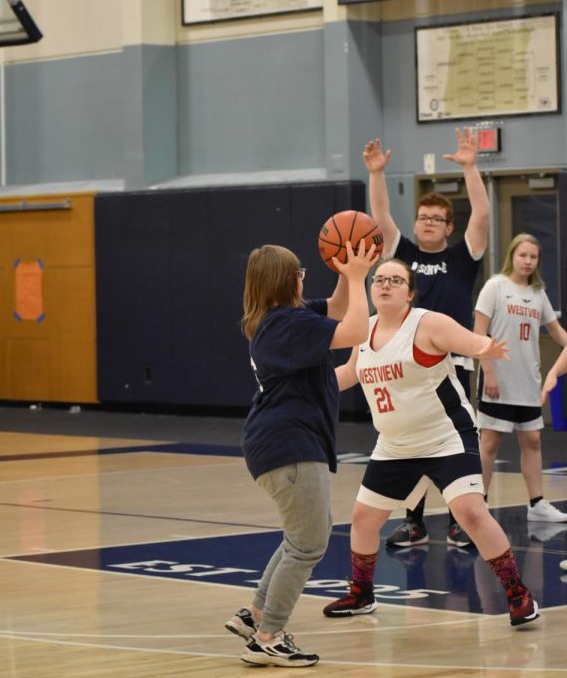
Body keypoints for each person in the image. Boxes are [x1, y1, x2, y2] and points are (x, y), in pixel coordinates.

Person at [322, 257, 540, 629]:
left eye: (395, 280)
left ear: (409, 293)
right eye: (379, 279)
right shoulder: (365, 329)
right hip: (394, 445)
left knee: (470, 512)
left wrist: (485, 347)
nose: (385, 284)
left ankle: (517, 592)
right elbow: (349, 372)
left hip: (445, 438)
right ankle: (362, 592)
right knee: (362, 518)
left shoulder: (427, 323)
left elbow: (471, 341)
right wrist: (309, 385)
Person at [225, 239, 379, 668]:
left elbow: (336, 305)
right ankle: (268, 637)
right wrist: (356, 275)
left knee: (301, 538)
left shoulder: (283, 319)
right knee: (310, 543)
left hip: (278, 440)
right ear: (287, 280)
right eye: (300, 272)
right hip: (288, 442)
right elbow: (354, 330)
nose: (303, 278)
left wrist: (344, 267)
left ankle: (255, 615)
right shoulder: (286, 326)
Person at [364, 127, 488, 548]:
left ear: (449, 227)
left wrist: (471, 167)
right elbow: (380, 219)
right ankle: (413, 521)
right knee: (409, 435)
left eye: (437, 219)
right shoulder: (406, 260)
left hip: (454, 360)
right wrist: (377, 174)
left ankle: (459, 520)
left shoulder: (462, 258)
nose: (428, 223)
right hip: (407, 362)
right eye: (423, 217)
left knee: (451, 438)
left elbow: (483, 217)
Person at [474, 233, 567, 523]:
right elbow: (478, 334)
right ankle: (479, 503)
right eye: (523, 255)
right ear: (512, 256)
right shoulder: (495, 287)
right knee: (490, 442)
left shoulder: (539, 293)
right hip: (497, 380)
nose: (528, 261)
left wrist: (553, 373)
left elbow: (558, 334)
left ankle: (536, 503)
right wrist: (488, 370)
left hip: (528, 382)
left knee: (533, 441)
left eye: (534, 257)